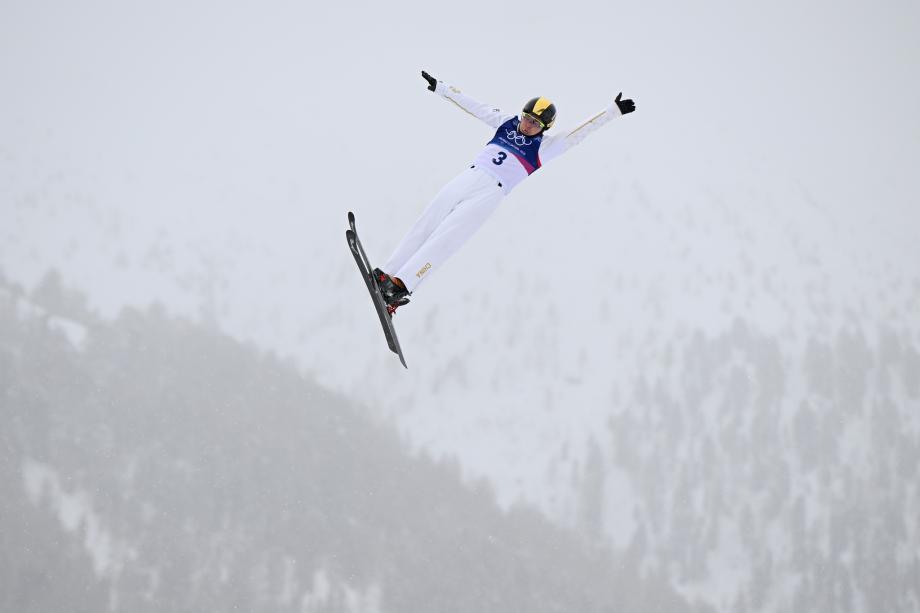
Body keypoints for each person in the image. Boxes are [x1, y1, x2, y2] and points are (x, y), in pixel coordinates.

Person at [374, 70, 636, 314]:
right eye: (527, 118)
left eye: (535, 123)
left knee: (446, 237)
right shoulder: (506, 123)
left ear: (545, 128)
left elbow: (579, 133)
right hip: (471, 175)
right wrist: (442, 88)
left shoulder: (546, 148)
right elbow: (475, 107)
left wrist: (612, 112)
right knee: (428, 220)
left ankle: (401, 286)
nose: (528, 125)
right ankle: (388, 273)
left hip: (491, 193)